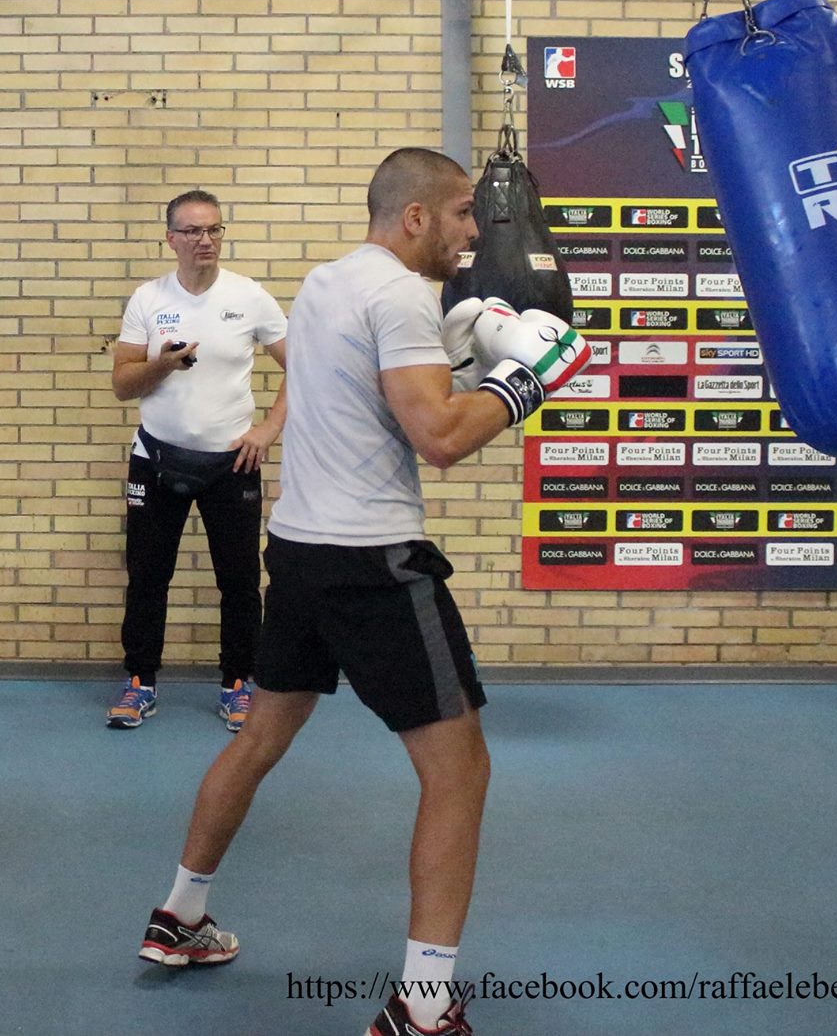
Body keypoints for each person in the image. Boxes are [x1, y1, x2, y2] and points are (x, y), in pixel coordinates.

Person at [133, 149, 589, 1036]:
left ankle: (180, 915)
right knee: (459, 768)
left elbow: (368, 398)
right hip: (373, 560)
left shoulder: (329, 280)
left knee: (262, 734)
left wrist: (456, 358)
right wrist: (525, 379)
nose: (473, 232)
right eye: (462, 214)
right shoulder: (403, 296)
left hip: (299, 548)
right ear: (414, 216)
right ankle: (423, 1007)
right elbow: (439, 439)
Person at [107, 190, 288, 733]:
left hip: (231, 465)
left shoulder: (250, 297)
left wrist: (268, 430)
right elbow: (121, 384)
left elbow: (305, 368)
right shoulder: (148, 299)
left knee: (238, 581)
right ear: (171, 238)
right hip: (156, 459)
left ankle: (238, 684)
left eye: (213, 230)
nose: (204, 240)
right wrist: (161, 365)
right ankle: (140, 682)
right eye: (191, 231)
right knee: (146, 577)